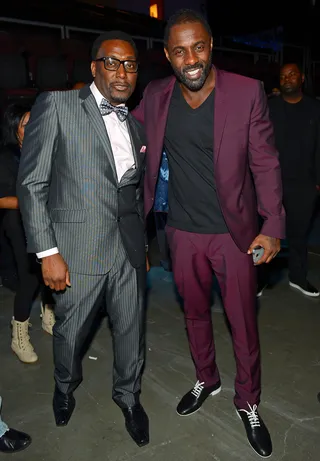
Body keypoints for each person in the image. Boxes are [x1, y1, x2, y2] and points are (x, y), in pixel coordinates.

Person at [133, 9, 285, 458]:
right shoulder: (158, 94)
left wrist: (272, 225)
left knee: (242, 321)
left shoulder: (246, 92)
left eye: (198, 46)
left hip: (234, 235)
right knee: (194, 313)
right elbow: (121, 127)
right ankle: (207, 378)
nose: (191, 58)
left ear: (211, 44)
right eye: (179, 51)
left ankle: (249, 401)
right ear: (168, 55)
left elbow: (266, 163)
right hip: (180, 232)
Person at [17, 31, 149, 447]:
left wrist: (141, 246)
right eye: (112, 62)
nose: (122, 71)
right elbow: (32, 184)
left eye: (129, 63)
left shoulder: (137, 125)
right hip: (76, 251)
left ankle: (129, 397)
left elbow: (132, 193)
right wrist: (48, 252)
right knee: (71, 334)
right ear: (94, 66)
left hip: (126, 250)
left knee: (131, 331)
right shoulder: (57, 106)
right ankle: (64, 387)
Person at [0, 103, 55, 364]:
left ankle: (48, 314)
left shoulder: (45, 151)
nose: (33, 128)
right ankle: (18, 333)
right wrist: (32, 200)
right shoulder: (6, 157)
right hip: (18, 222)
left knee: (49, 269)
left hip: (46, 219)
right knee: (30, 278)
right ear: (15, 130)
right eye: (26, 124)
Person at [268, 63, 320, 297]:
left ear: (302, 79)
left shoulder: (315, 108)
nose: (286, 78)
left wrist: (317, 181)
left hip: (304, 184)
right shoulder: (269, 107)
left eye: (291, 74)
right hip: (271, 183)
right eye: (282, 76)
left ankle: (298, 277)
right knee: (267, 231)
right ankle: (261, 279)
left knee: (299, 234)